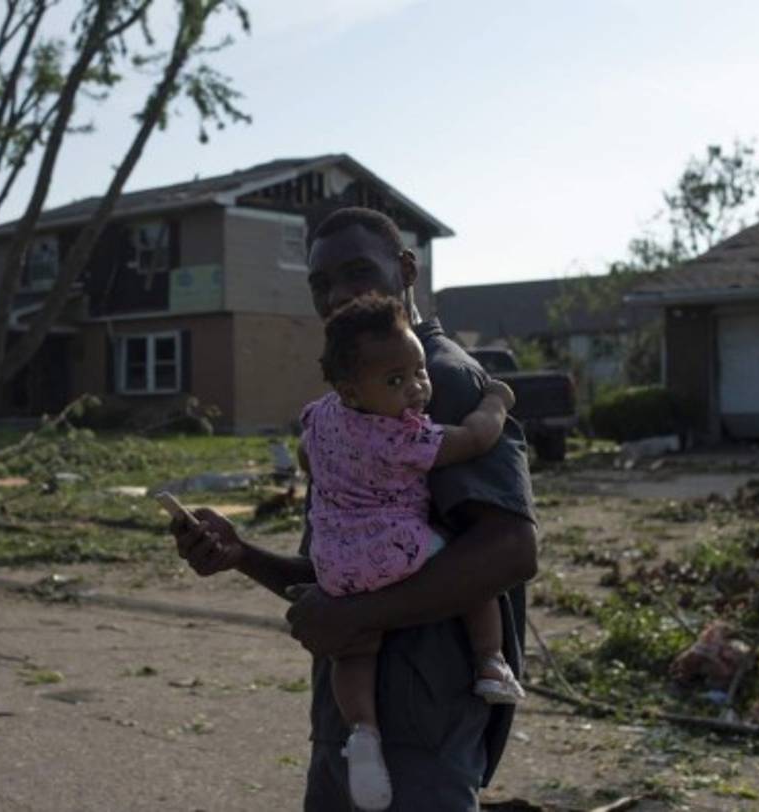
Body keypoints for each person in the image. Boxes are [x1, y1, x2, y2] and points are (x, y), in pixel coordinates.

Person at [171, 206, 538, 810]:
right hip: (353, 727)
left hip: (422, 728)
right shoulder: (349, 406)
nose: (338, 295)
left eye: (357, 272)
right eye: (321, 283)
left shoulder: (439, 382)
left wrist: (359, 616)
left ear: (407, 270)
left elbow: (510, 549)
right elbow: (340, 577)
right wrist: (240, 555)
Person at [300, 293, 525, 810]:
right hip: (398, 548)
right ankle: (490, 660)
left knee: (354, 651)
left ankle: (362, 733)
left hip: (334, 560)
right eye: (396, 382)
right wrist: (497, 401)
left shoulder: (322, 417)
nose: (418, 388)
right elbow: (473, 439)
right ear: (352, 390)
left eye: (419, 372)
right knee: (468, 570)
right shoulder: (402, 438)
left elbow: (304, 453)